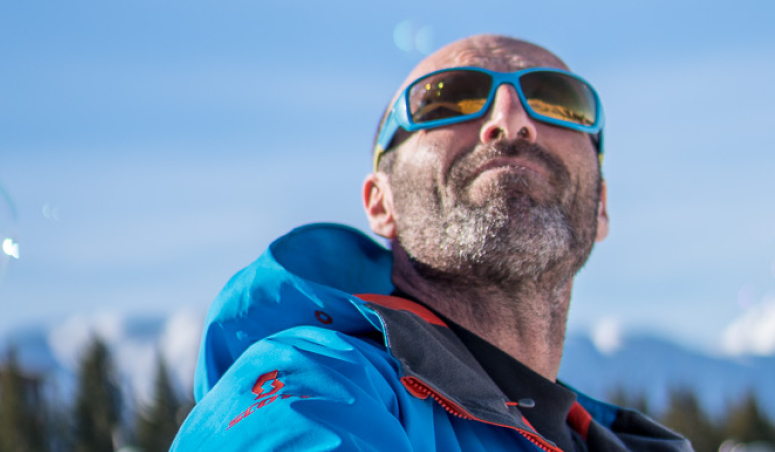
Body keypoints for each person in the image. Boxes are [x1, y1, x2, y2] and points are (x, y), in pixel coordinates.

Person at [171, 34, 692, 452]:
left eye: (559, 101)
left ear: (601, 205)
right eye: (449, 98)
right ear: (382, 202)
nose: (511, 119)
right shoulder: (307, 388)